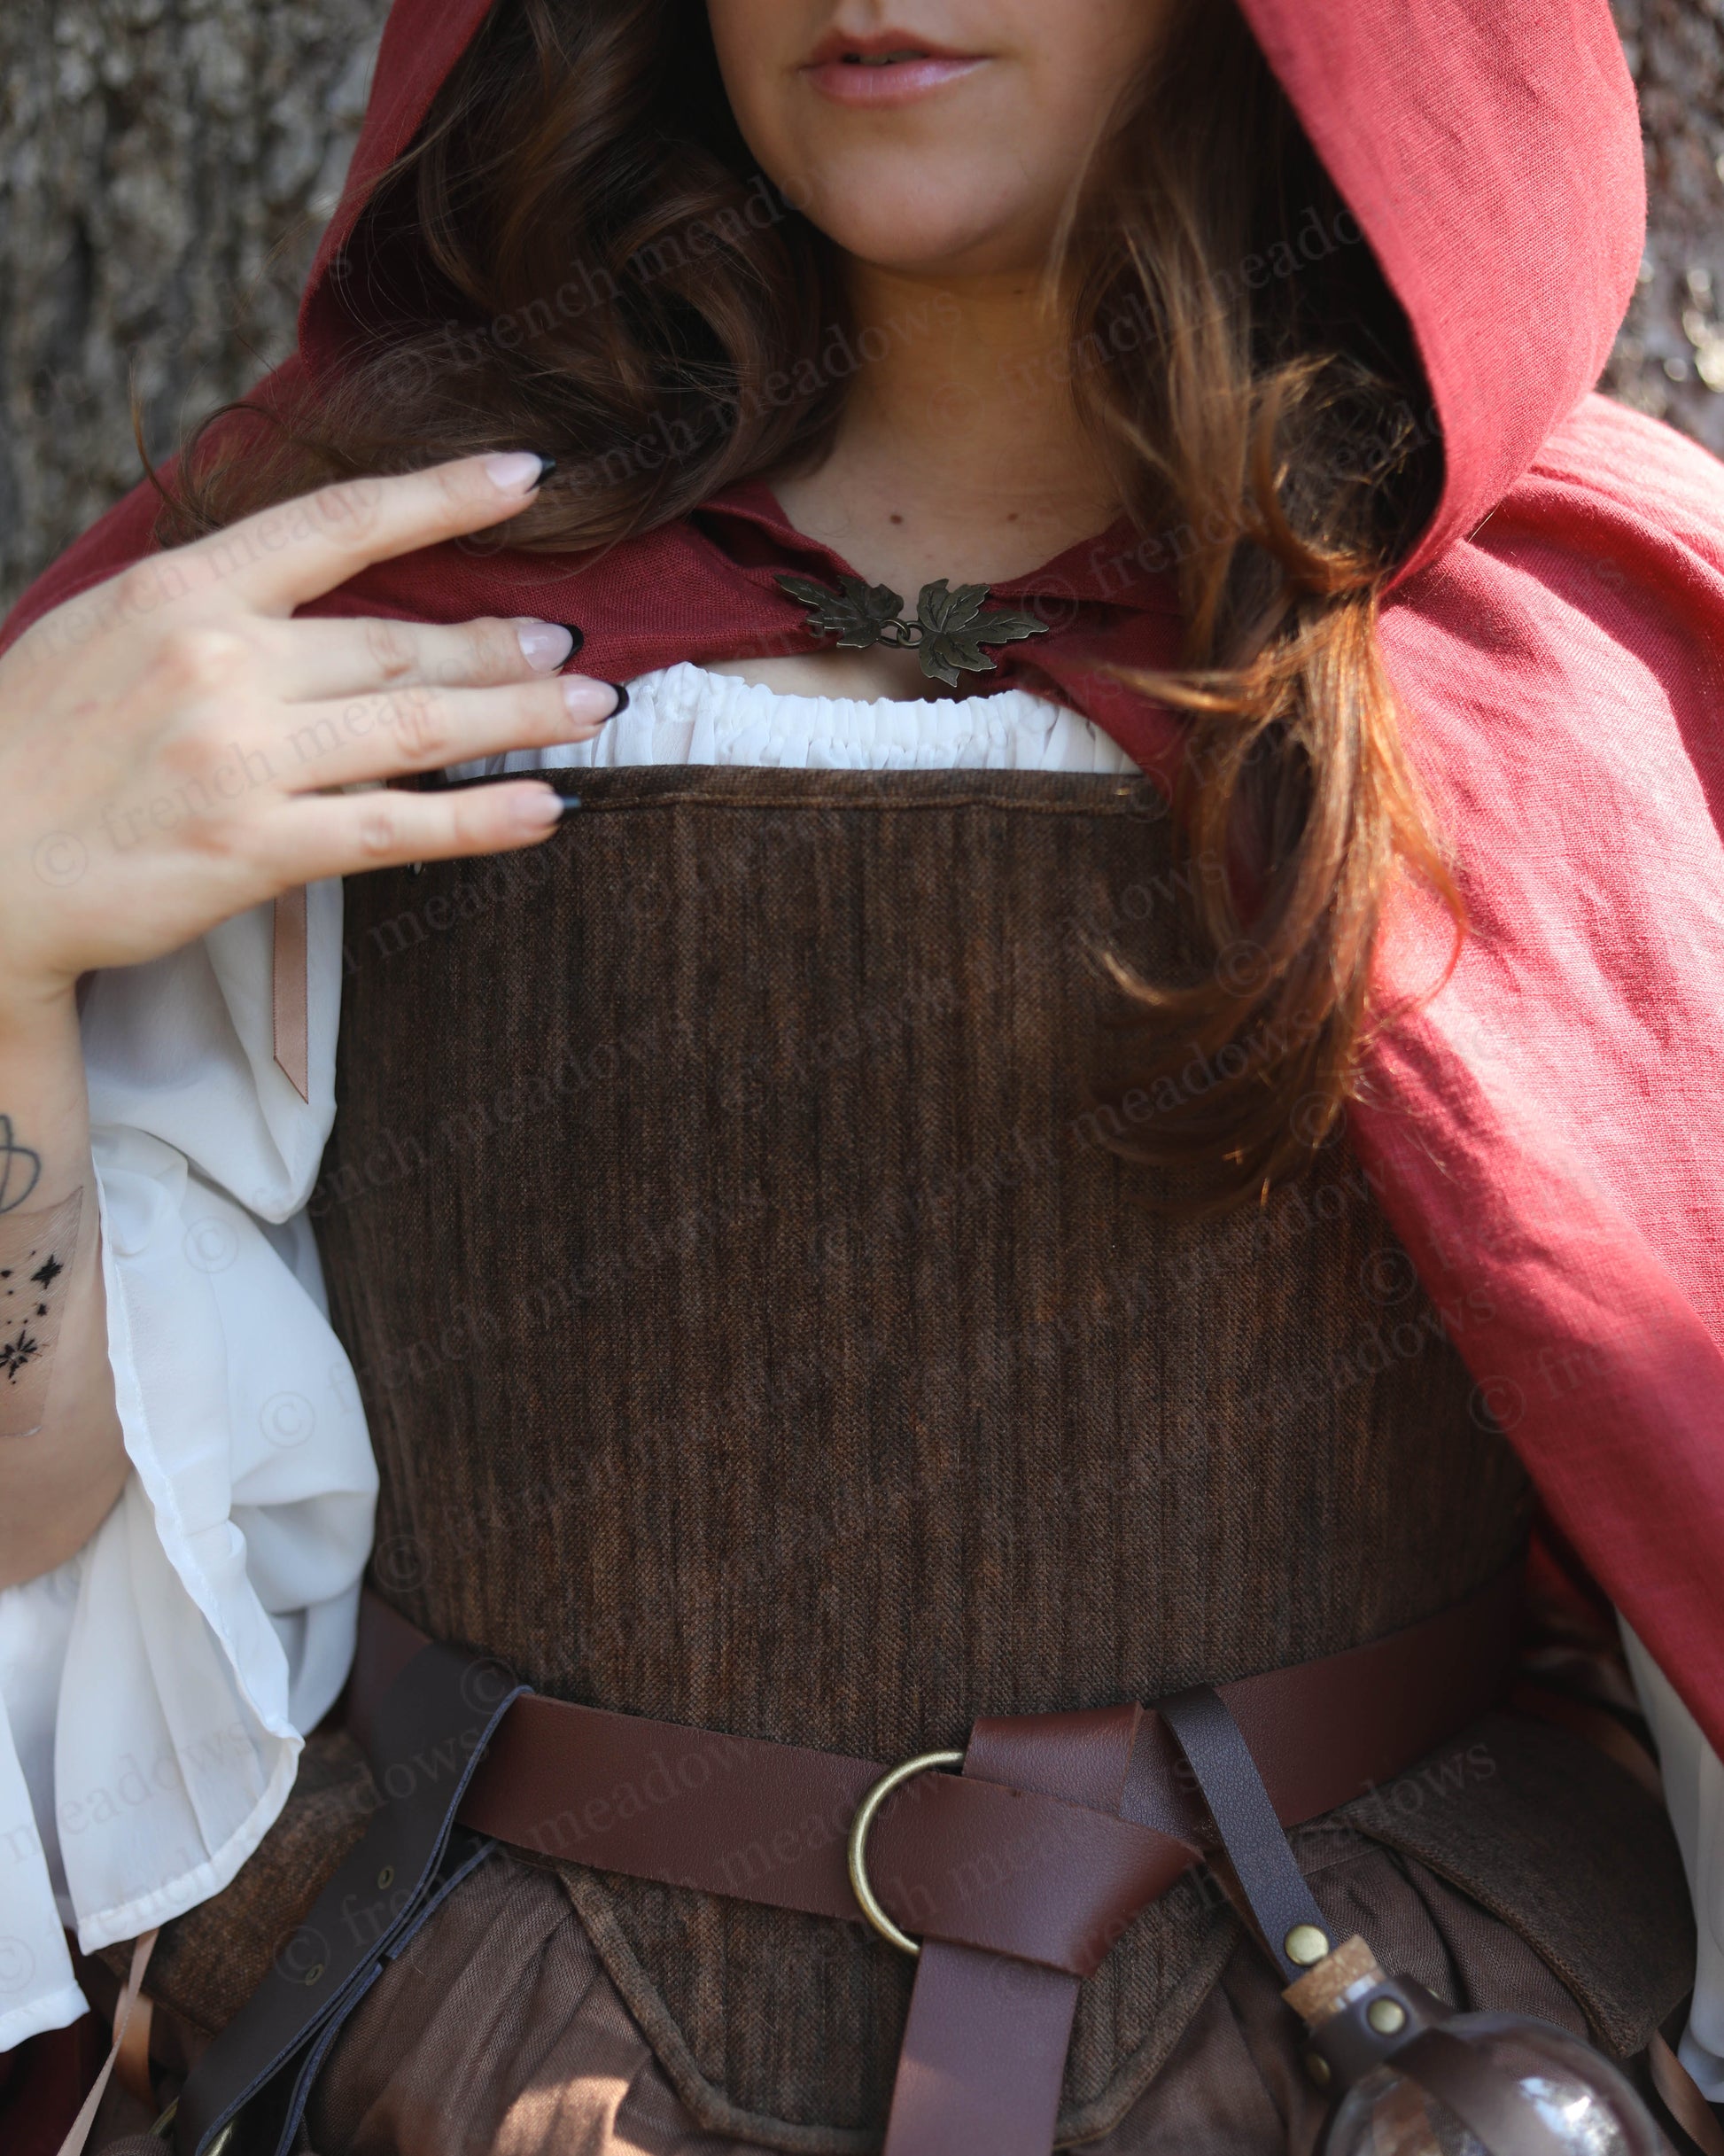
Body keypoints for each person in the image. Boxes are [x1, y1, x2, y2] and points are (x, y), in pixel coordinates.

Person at [1, 0, 1722, 2150]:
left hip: (1345, 2061)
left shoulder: (1568, 652)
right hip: (493, 2065)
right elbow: (51, 1523)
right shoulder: (362, 629)